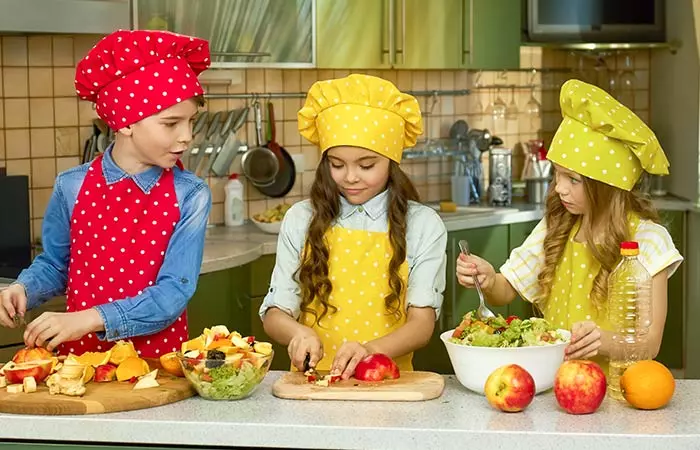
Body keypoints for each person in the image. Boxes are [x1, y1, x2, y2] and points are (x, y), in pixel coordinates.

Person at [0, 30, 212, 357]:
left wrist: (88, 319)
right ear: (126, 122)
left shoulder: (190, 195)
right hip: (78, 367)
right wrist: (23, 288)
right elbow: (57, 265)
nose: (187, 137)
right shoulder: (70, 186)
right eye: (171, 124)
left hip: (158, 369)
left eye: (191, 122)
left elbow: (172, 294)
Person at [456, 79, 683, 372]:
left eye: (573, 180)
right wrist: (488, 280)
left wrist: (604, 341)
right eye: (557, 175)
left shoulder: (649, 240)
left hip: (617, 394)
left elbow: (649, 344)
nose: (559, 189)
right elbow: (506, 289)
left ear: (608, 186)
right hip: (556, 386)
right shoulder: (557, 226)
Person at [260, 74, 447, 379]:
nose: (350, 177)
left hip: (386, 383)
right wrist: (297, 332)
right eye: (337, 164)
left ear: (391, 162)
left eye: (366, 165)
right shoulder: (300, 219)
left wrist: (369, 351)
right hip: (312, 384)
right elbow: (275, 313)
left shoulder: (423, 225)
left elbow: (421, 326)